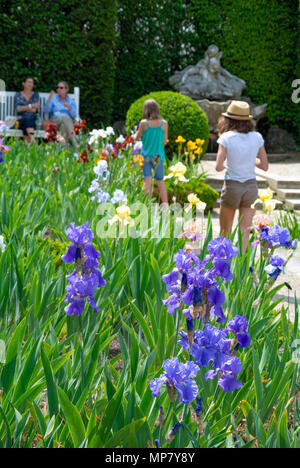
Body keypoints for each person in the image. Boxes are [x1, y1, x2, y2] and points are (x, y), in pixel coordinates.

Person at [215, 100, 268, 252]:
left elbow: (218, 167)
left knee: (225, 231)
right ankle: (243, 268)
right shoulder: (257, 137)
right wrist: (250, 159)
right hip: (251, 187)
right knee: (245, 231)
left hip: (232, 186)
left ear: (228, 119)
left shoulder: (226, 138)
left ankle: (222, 266)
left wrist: (232, 162)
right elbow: (264, 165)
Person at [134, 99, 168, 204]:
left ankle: (147, 207)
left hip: (146, 155)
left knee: (147, 182)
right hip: (158, 156)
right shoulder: (164, 123)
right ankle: (165, 207)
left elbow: (136, 138)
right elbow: (165, 141)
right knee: (160, 182)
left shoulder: (144, 123)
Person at [44, 81, 79, 149]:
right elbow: (46, 111)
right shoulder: (54, 99)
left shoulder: (71, 101)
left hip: (67, 122)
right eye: (58, 88)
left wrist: (69, 109)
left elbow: (75, 116)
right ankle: (75, 144)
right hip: (55, 121)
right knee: (65, 118)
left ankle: (64, 147)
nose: (59, 89)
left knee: (64, 125)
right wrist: (49, 99)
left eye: (61, 88)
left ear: (66, 89)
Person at [14, 77, 40, 143]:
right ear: (23, 83)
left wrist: (24, 108)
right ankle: (34, 144)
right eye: (28, 82)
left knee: (28, 119)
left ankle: (31, 146)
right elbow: (18, 109)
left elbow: (35, 110)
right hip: (21, 119)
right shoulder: (18, 95)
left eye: (32, 82)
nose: (30, 84)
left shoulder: (35, 95)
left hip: (33, 119)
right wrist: (31, 106)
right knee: (26, 119)